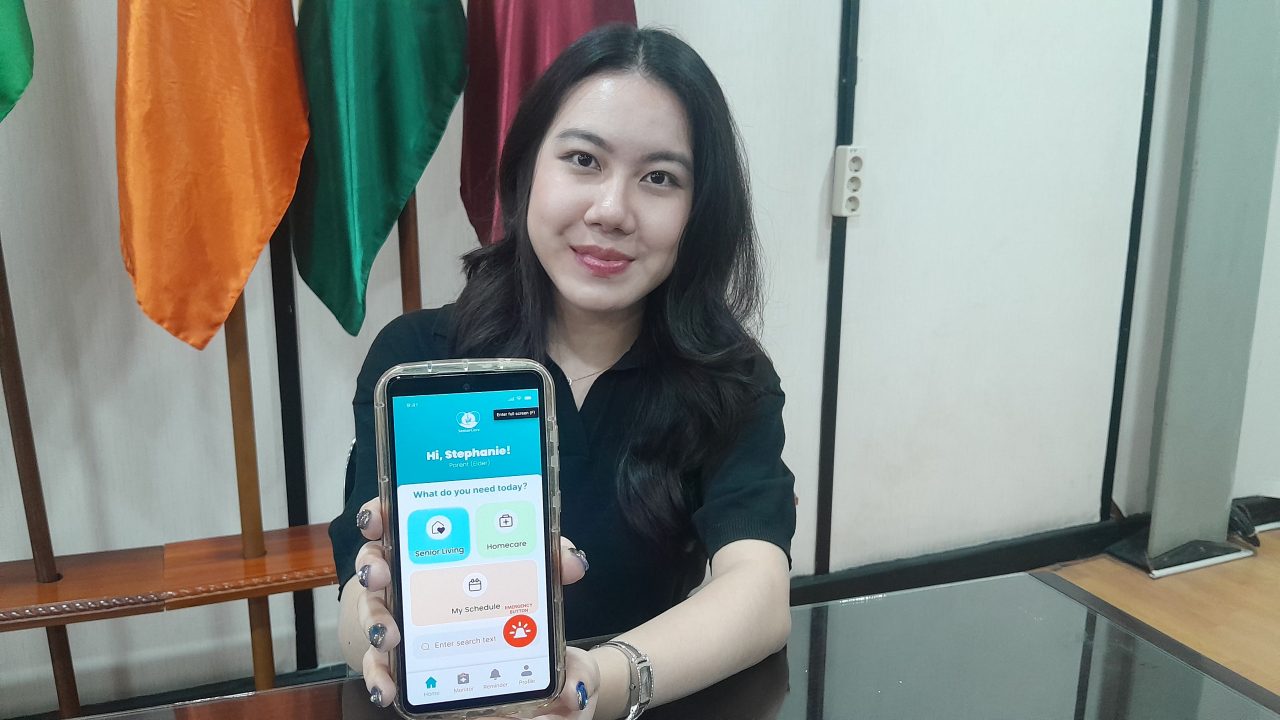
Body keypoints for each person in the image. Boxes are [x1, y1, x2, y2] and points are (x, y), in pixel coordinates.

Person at [330, 24, 796, 719]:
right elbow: (358, 590)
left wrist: (592, 686)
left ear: (699, 209)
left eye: (660, 178)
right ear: (526, 171)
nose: (611, 212)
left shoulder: (729, 378)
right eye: (583, 159)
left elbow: (757, 591)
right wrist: (379, 635)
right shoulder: (419, 356)